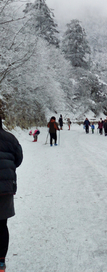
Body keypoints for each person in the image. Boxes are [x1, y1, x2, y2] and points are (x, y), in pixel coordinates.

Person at [0, 116, 23, 271]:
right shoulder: (10, 138)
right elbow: (19, 159)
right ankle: (1, 261)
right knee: (1, 225)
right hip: (6, 188)